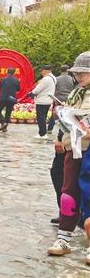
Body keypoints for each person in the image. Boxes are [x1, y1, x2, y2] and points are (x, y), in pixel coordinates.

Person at [48, 51, 90, 258]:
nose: (79, 76)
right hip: (73, 149)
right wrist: (62, 114)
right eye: (77, 72)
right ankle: (64, 238)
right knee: (68, 194)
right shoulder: (76, 93)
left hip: (88, 149)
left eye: (84, 72)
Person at [29, 65, 56, 139]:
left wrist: (31, 93)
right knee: (43, 117)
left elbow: (38, 89)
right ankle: (43, 133)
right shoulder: (53, 78)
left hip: (42, 101)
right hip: (48, 100)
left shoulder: (46, 79)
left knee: (40, 118)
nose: (41, 72)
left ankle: (42, 134)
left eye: (42, 70)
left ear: (45, 71)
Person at [48, 64, 75, 133]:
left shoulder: (57, 79)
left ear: (60, 70)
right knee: (66, 114)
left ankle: (50, 129)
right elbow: (73, 89)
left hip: (58, 99)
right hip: (68, 99)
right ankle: (65, 130)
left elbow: (54, 88)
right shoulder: (72, 79)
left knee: (54, 114)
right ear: (68, 70)